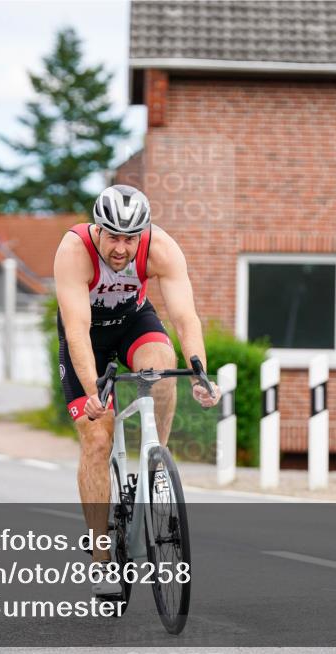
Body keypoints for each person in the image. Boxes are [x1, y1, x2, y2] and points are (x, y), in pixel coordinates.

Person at [53, 184, 220, 595]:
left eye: (131, 238)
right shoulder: (74, 251)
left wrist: (199, 371)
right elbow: (76, 329)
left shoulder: (161, 248)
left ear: (143, 233)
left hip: (132, 322)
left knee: (162, 367)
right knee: (97, 437)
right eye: (113, 236)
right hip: (87, 336)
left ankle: (154, 465)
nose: (121, 248)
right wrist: (94, 390)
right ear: (97, 229)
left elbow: (185, 317)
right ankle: (101, 557)